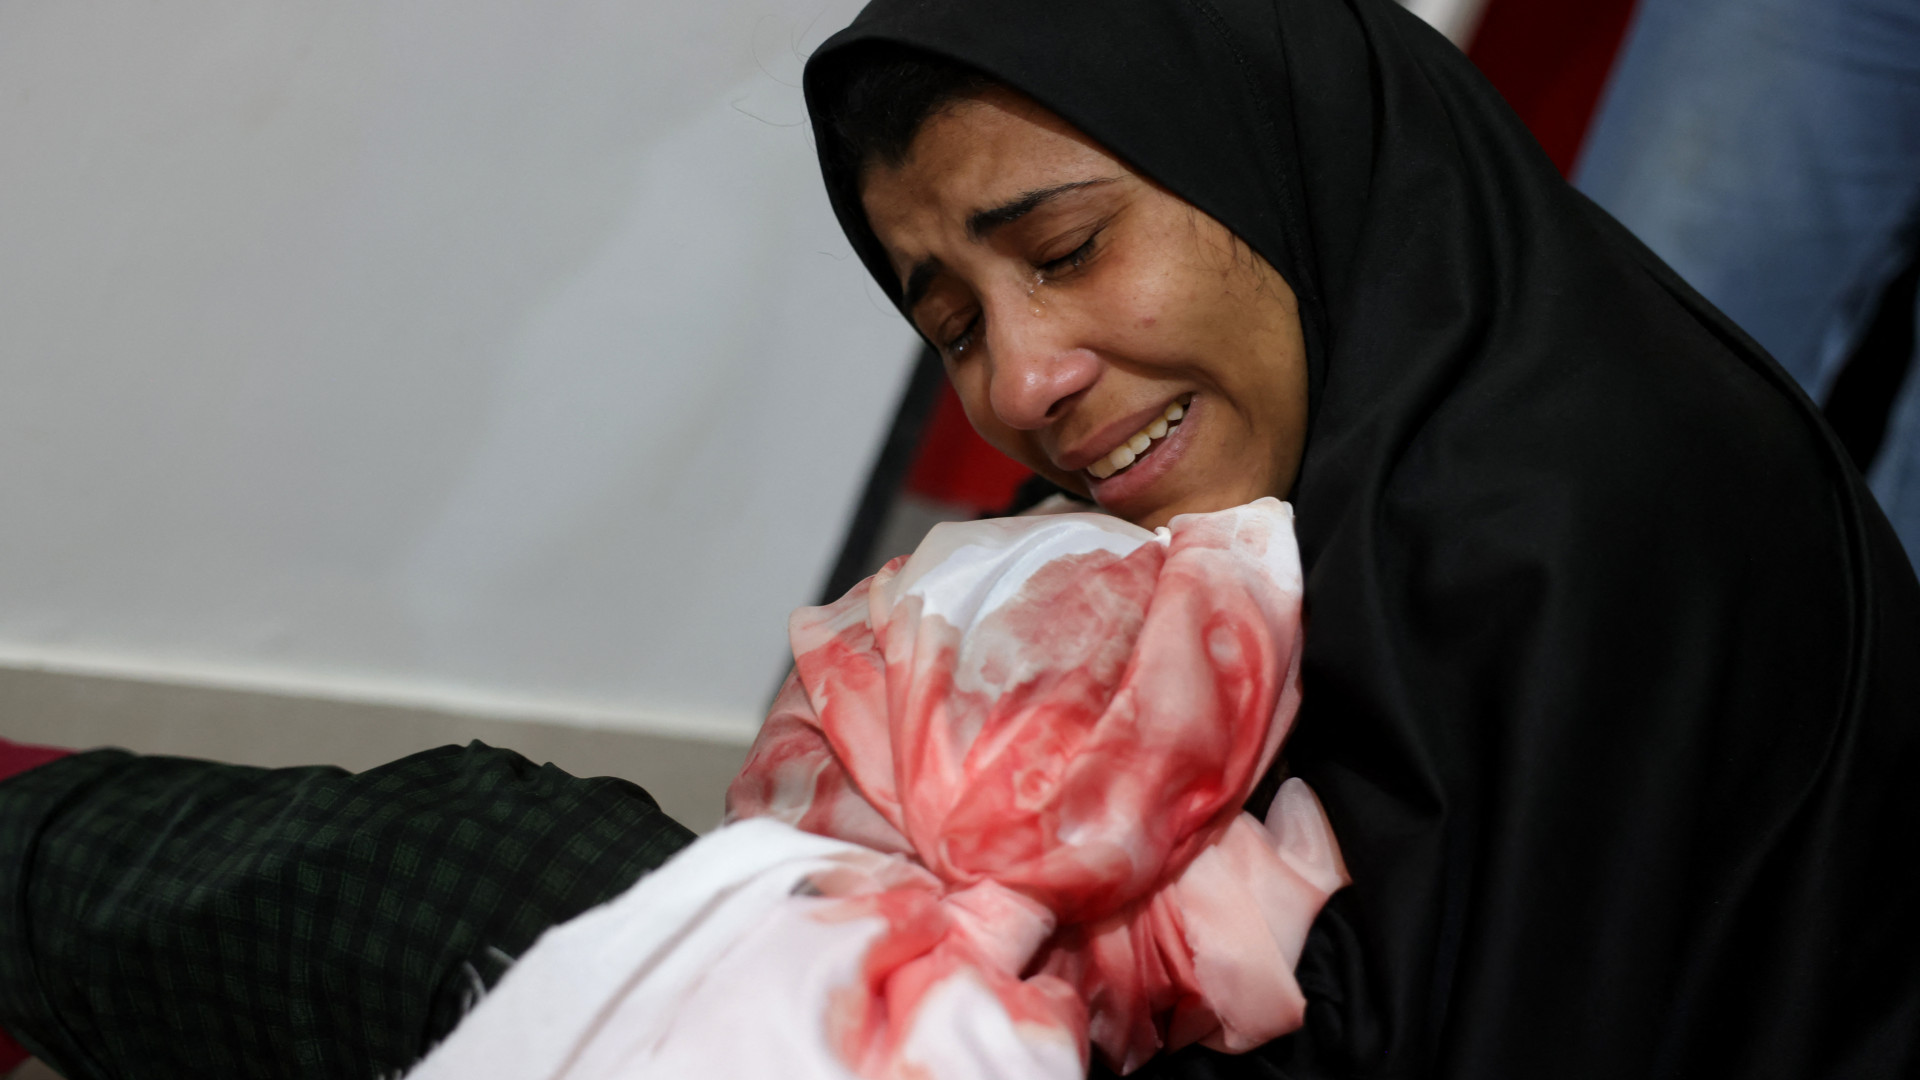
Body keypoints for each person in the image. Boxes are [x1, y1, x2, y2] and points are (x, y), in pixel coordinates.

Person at [1, 0, 1916, 1076]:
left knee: (488, 886)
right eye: (946, 318)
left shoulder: (1577, 528)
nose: (1025, 381)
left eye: (1068, 249)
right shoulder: (1330, 473)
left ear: (1279, 146)